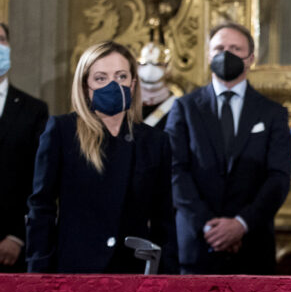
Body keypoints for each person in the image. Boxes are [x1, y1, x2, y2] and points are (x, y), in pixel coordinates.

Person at [26, 41, 176, 273]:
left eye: (120, 76)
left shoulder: (155, 141)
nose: (112, 85)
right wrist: (38, 274)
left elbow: (164, 218)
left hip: (133, 272)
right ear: (86, 86)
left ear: (133, 84)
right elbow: (41, 207)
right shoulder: (62, 131)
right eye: (100, 78)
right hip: (74, 272)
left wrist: (166, 279)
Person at [166, 22, 291, 274]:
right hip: (196, 247)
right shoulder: (184, 108)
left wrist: (241, 224)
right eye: (219, 48)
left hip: (253, 247)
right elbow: (175, 171)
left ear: (250, 58)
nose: (226, 54)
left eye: (235, 48)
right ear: (208, 56)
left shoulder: (273, 113)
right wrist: (209, 227)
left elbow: (278, 178)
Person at [0, 23, 49, 272]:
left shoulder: (34, 110)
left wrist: (17, 236)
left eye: (1, 39)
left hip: (11, 248)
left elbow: (39, 179)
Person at [137, 40, 177, 128]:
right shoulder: (126, 100)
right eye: (144, 64)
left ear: (167, 66)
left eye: (157, 64)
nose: (149, 69)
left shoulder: (178, 99)